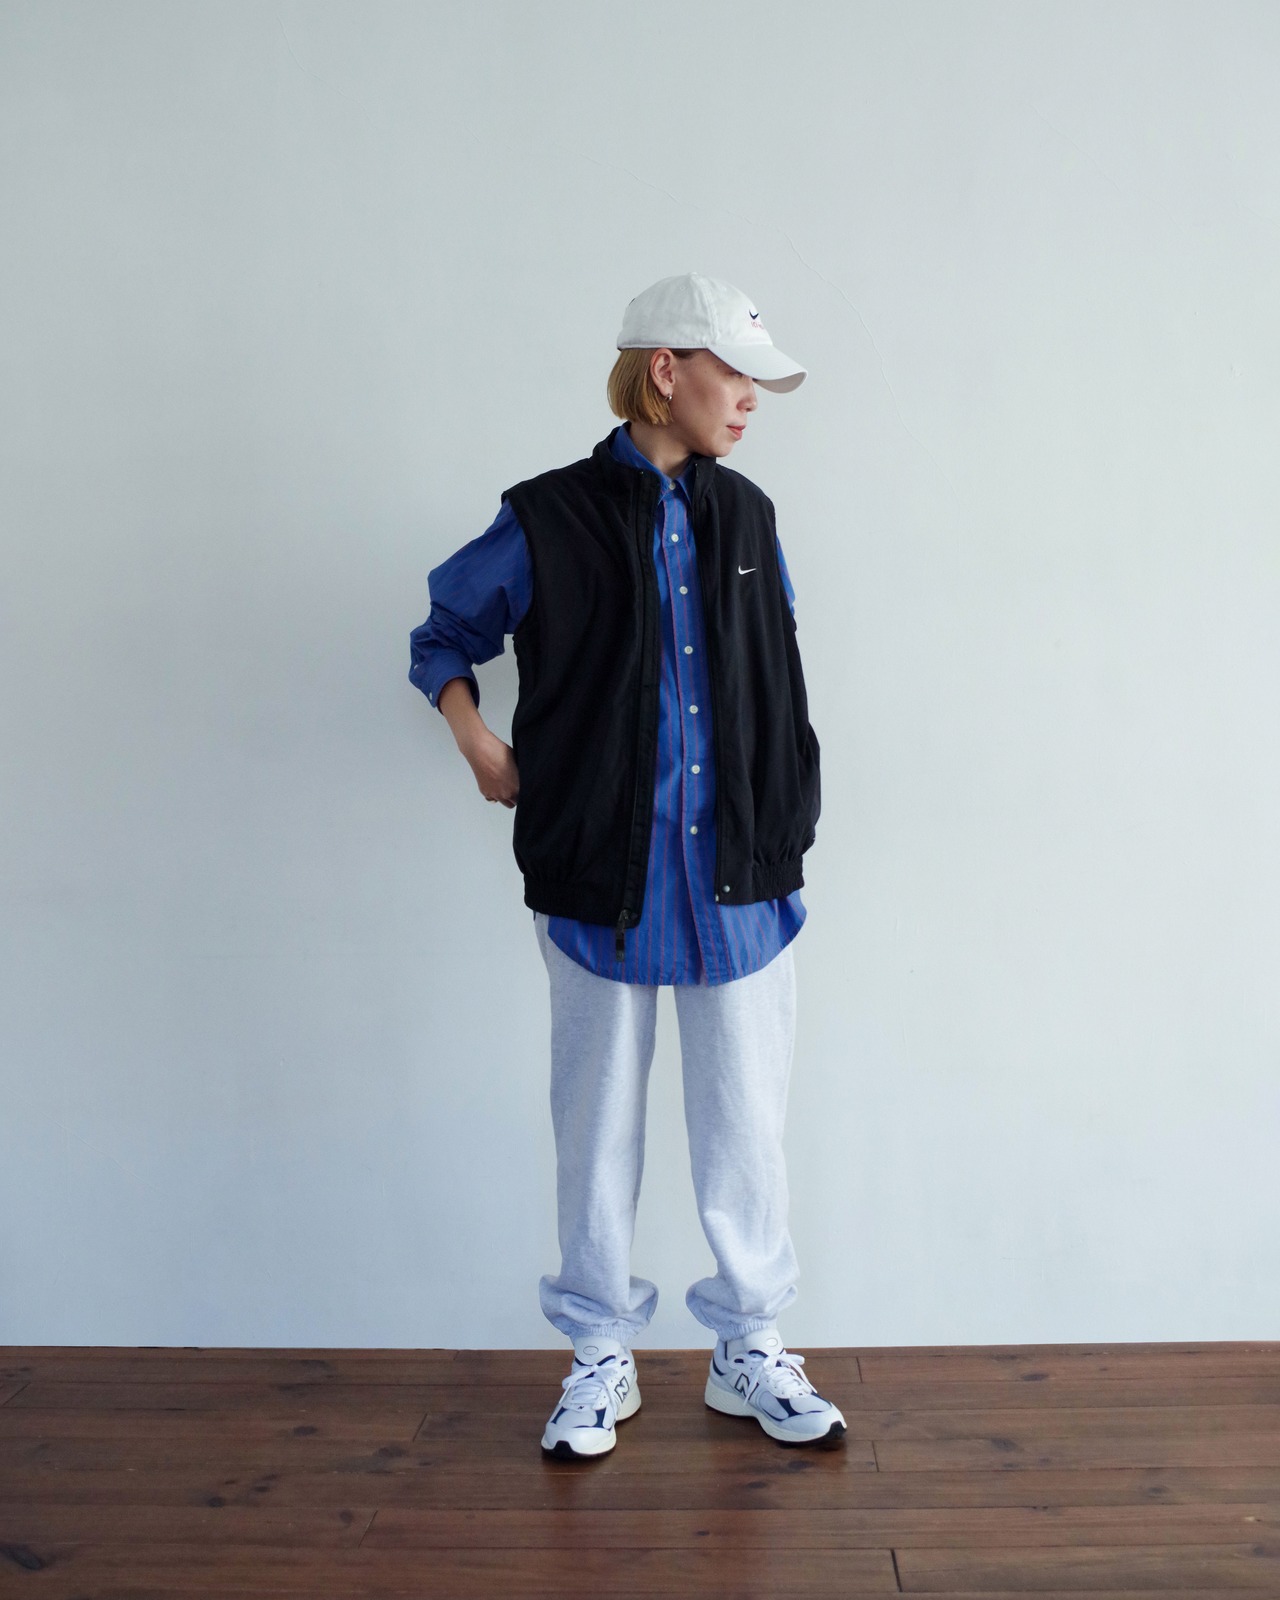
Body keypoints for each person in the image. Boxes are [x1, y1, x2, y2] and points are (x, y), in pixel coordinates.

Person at [409, 272, 845, 1458]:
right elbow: (444, 634)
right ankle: (599, 1352)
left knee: (744, 1127)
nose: (747, 398)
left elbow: (772, 671)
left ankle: (746, 1346)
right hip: (598, 875)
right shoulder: (545, 517)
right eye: (733, 372)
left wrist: (789, 805)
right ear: (666, 369)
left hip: (742, 874)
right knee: (595, 1130)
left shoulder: (746, 515)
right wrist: (478, 743)